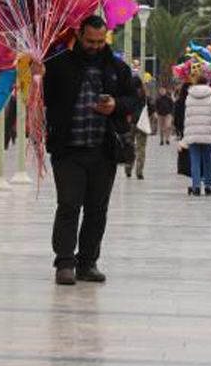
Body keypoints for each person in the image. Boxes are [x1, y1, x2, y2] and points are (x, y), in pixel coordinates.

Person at [38, 15, 137, 286]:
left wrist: (115, 104)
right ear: (80, 35)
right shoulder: (59, 65)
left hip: (103, 150)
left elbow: (134, 100)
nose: (94, 46)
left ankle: (88, 262)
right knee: (68, 206)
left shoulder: (117, 68)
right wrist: (35, 73)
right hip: (68, 150)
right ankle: (65, 263)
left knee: (97, 209)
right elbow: (41, 96)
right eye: (90, 41)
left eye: (99, 41)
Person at [182, 75, 211, 195]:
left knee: (195, 160)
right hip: (208, 132)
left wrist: (181, 130)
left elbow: (183, 113)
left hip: (192, 132)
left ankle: (196, 185)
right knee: (207, 159)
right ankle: (209, 186)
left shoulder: (188, 96)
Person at [126, 77, 153, 180]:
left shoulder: (128, 95)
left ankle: (128, 169)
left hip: (130, 123)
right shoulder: (145, 96)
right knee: (141, 148)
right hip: (142, 124)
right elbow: (151, 109)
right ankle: (139, 171)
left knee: (129, 146)